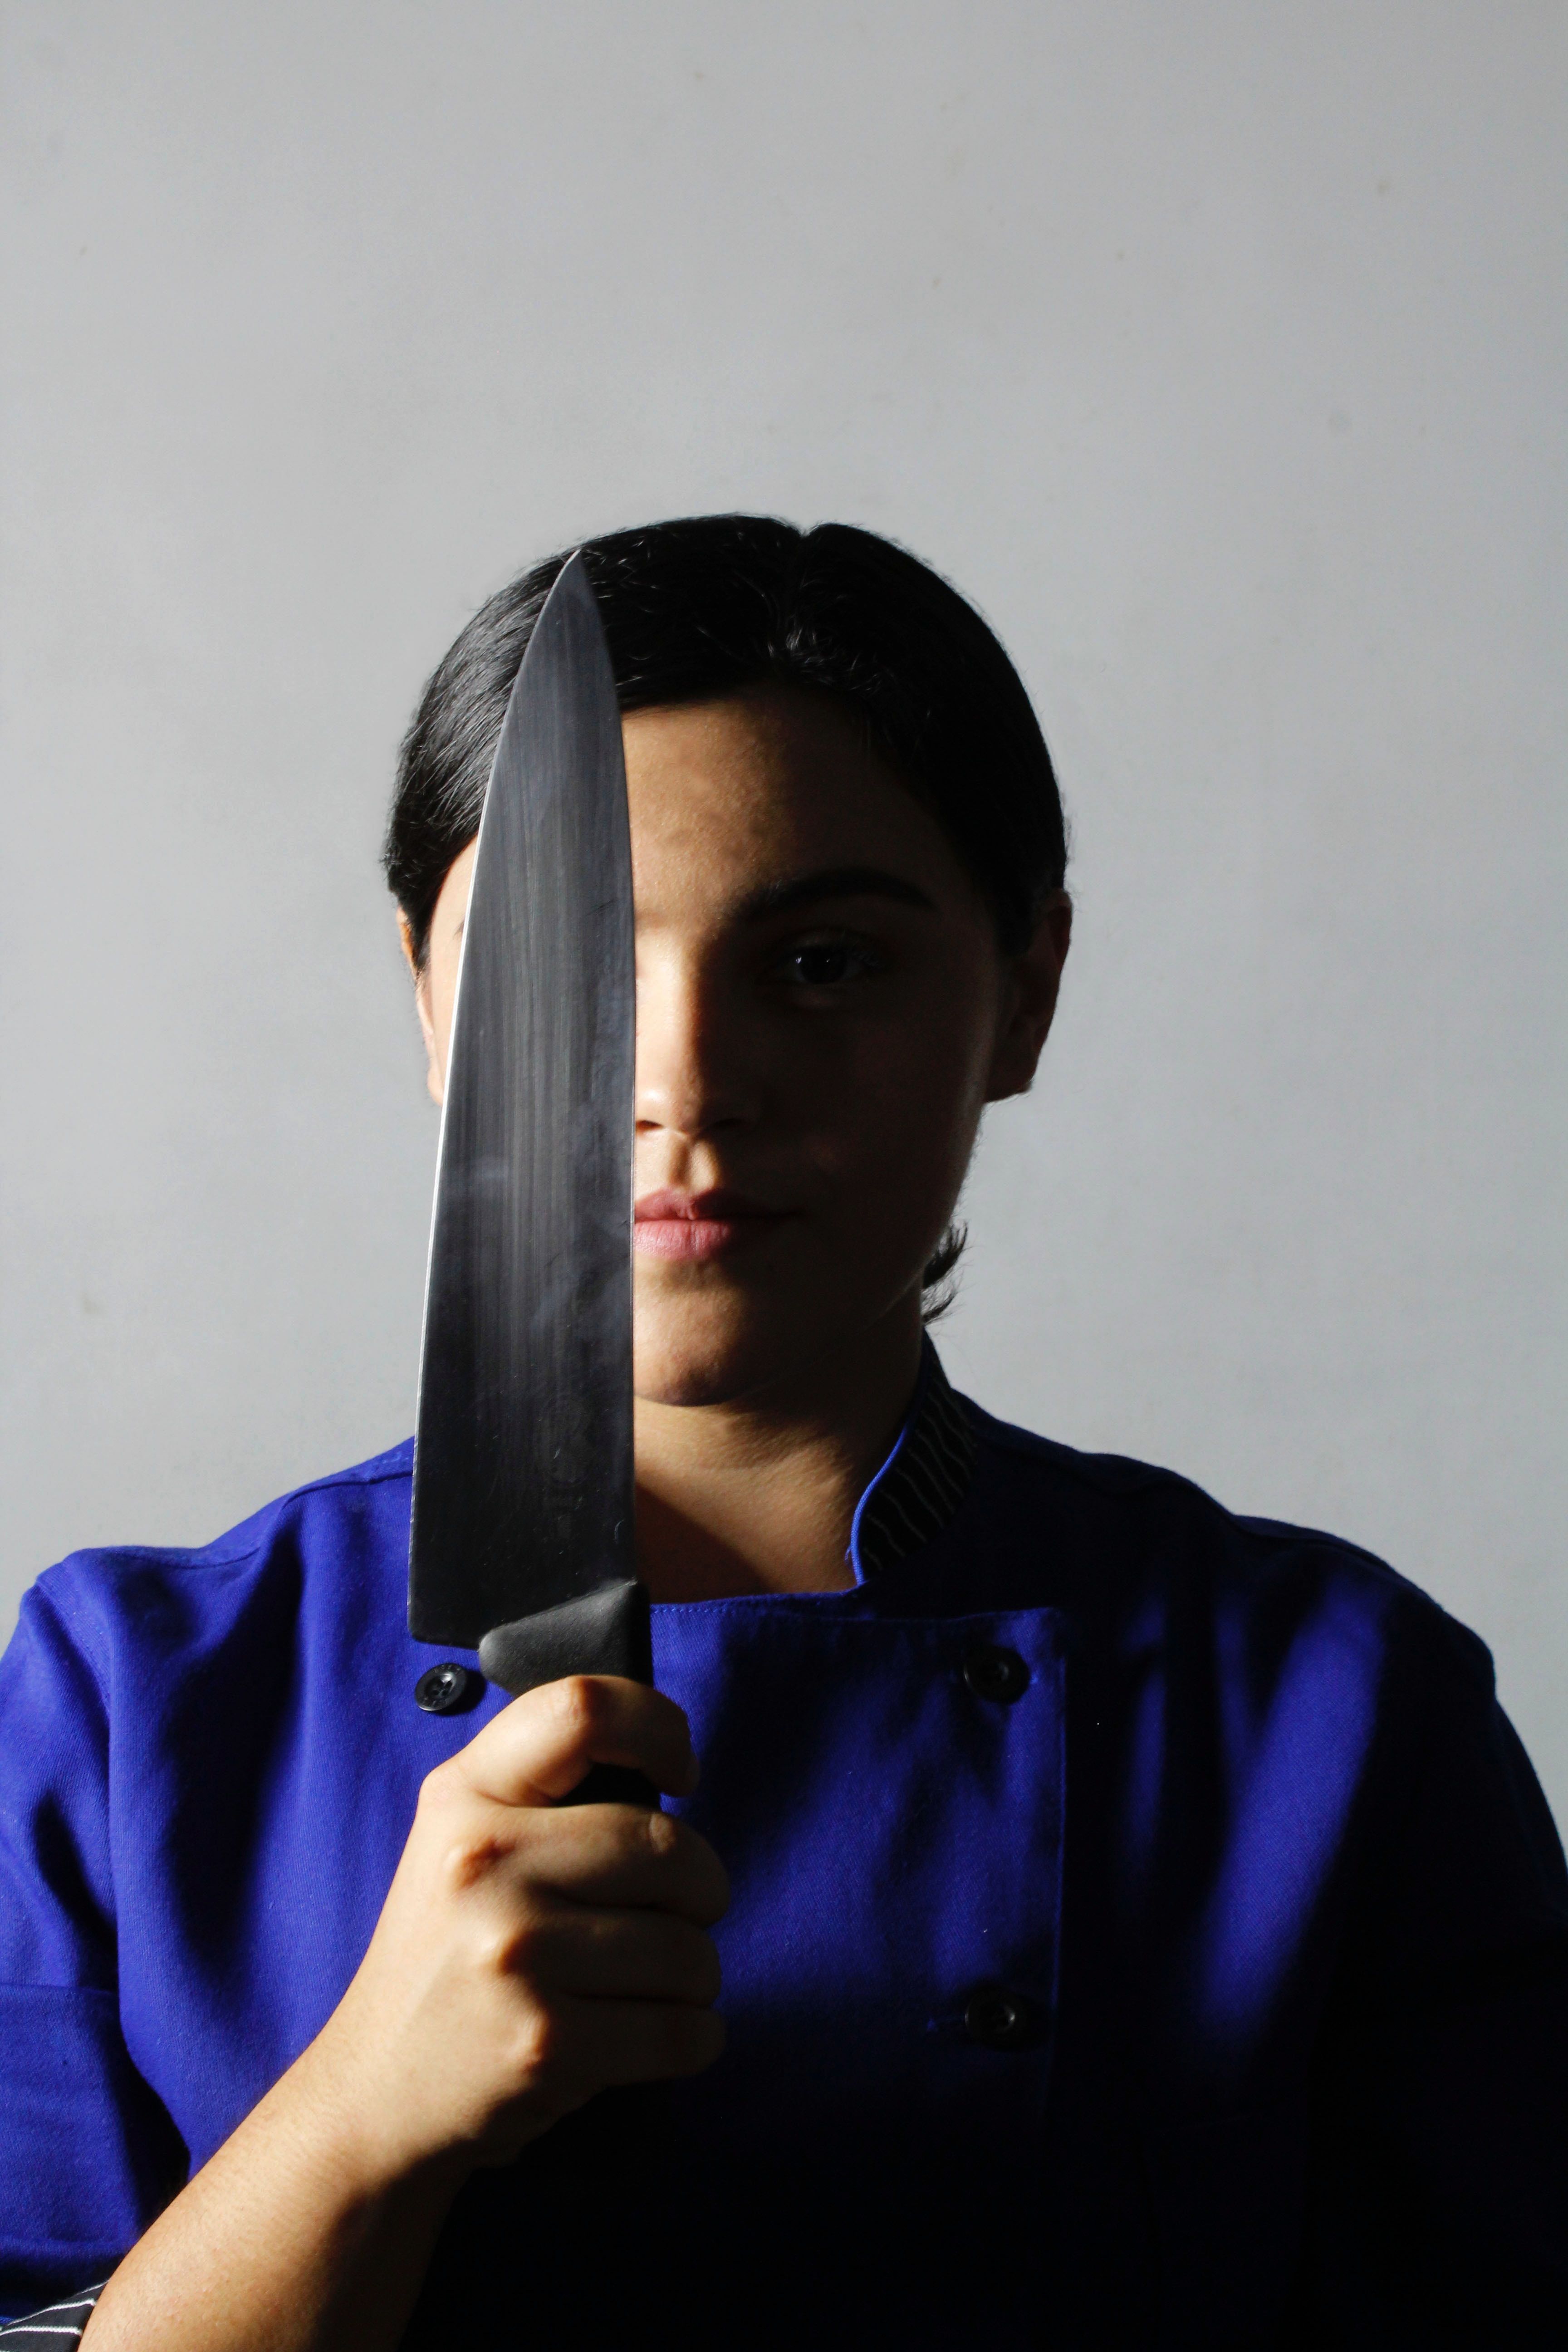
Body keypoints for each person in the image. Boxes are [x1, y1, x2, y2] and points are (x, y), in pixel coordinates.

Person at [0, 516, 1563, 2352]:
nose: (685, 1082)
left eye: (822, 963)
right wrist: (354, 2120)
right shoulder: (132, 1705)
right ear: (431, 998)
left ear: (1027, 991)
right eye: (570, 959)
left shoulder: (1335, 1712)